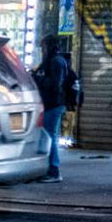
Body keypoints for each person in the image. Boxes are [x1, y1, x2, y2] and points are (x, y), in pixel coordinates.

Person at [32, 36, 80, 182]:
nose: (42, 50)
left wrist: (39, 78)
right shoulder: (54, 61)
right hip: (51, 104)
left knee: (50, 137)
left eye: (44, 47)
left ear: (49, 47)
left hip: (53, 104)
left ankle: (53, 171)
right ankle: (48, 169)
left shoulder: (56, 62)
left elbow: (55, 84)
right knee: (48, 137)